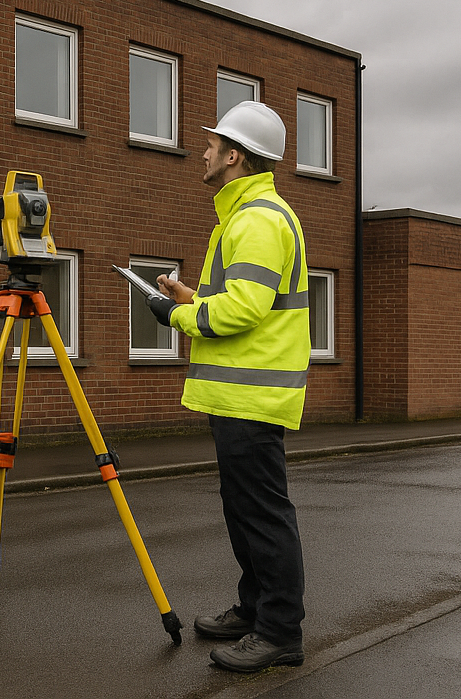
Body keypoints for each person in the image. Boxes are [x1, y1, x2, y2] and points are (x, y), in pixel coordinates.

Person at [146, 100, 311, 673]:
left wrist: (177, 318)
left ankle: (280, 631)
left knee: (262, 514)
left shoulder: (258, 219)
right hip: (239, 393)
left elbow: (241, 312)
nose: (206, 151)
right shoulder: (244, 217)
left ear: (235, 155)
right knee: (244, 511)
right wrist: (192, 299)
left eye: (215, 144)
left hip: (252, 395)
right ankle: (254, 609)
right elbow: (240, 304)